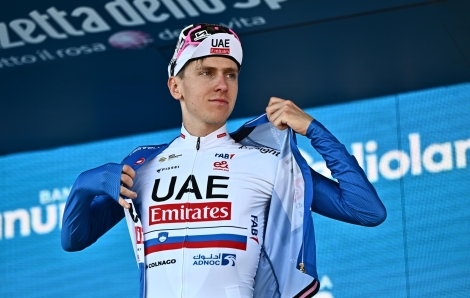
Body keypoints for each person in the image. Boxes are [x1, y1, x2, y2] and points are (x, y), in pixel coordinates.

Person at [61, 23, 386, 298]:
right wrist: (83, 187)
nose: (221, 84)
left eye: (230, 74)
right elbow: (75, 239)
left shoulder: (267, 161)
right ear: (176, 86)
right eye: (206, 72)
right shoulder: (142, 163)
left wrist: (315, 131)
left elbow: (366, 210)